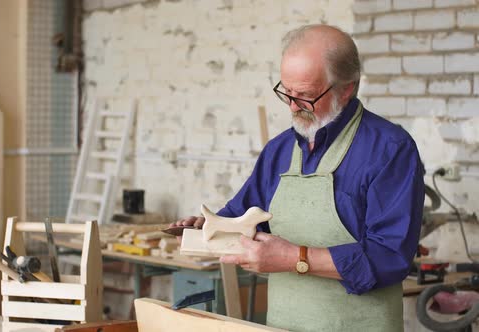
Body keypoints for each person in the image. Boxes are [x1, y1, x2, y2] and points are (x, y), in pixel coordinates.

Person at [171, 24, 425, 331]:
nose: (292, 106)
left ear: (347, 88)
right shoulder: (279, 150)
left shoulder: (389, 150)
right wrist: (212, 227)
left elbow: (389, 257)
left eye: (304, 96)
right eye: (286, 93)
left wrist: (295, 258)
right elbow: (244, 219)